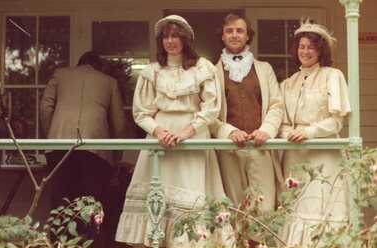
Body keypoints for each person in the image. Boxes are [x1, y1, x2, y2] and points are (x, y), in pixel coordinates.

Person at [115, 15, 225, 247]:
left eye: (175, 35)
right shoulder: (152, 71)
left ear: (185, 39)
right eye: (165, 36)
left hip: (192, 140)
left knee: (190, 196)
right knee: (157, 197)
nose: (170, 41)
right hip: (160, 142)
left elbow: (211, 108)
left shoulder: (203, 68)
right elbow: (141, 112)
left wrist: (185, 133)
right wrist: (159, 132)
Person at [40, 51, 126, 246]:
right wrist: (117, 158)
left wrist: (51, 136)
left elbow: (45, 108)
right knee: (94, 200)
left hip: (59, 145)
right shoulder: (108, 82)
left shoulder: (60, 74)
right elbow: (119, 123)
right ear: (100, 67)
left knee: (60, 200)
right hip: (94, 147)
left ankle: (59, 244)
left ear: (78, 64)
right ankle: (95, 242)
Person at [278, 19, 351, 246]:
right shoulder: (288, 83)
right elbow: (280, 120)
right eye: (302, 46)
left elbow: (337, 121)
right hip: (294, 156)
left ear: (321, 50)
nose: (306, 51)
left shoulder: (332, 76)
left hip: (323, 155)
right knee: (297, 208)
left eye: (311, 47)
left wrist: (309, 132)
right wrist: (287, 133)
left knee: (321, 207)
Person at [209, 13, 284, 212]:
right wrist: (228, 132)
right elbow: (209, 113)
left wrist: (266, 130)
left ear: (248, 36)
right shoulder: (211, 72)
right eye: (229, 31)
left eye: (239, 31)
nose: (234, 35)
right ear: (222, 36)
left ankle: (260, 244)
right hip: (228, 150)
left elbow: (277, 105)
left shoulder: (264, 68)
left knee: (264, 206)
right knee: (233, 208)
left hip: (260, 148)